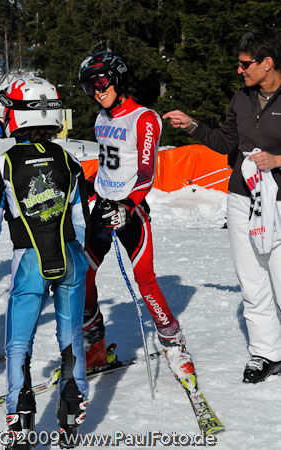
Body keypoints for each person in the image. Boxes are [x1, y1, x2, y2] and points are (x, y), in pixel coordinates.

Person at [163, 28, 281, 384]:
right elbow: (225, 142)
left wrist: (276, 160)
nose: (240, 70)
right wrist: (192, 126)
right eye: (239, 64)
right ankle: (266, 353)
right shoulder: (240, 99)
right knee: (252, 280)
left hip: (278, 201)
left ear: (267, 63)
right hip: (241, 198)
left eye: (245, 64)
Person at [0, 77, 90, 447]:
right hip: (70, 257)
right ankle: (71, 416)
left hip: (28, 261)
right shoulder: (69, 159)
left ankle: (20, 422)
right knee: (71, 338)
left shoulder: (2, 164)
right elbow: (81, 220)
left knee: (18, 344)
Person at [78, 50, 194, 379]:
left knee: (145, 281)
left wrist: (127, 206)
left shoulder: (144, 118)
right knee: (83, 278)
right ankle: (95, 346)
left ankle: (174, 345)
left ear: (117, 79)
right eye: (89, 87)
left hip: (131, 212)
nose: (97, 91)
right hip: (102, 207)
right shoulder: (102, 118)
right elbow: (109, 163)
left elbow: (145, 173)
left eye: (101, 82)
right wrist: (90, 185)